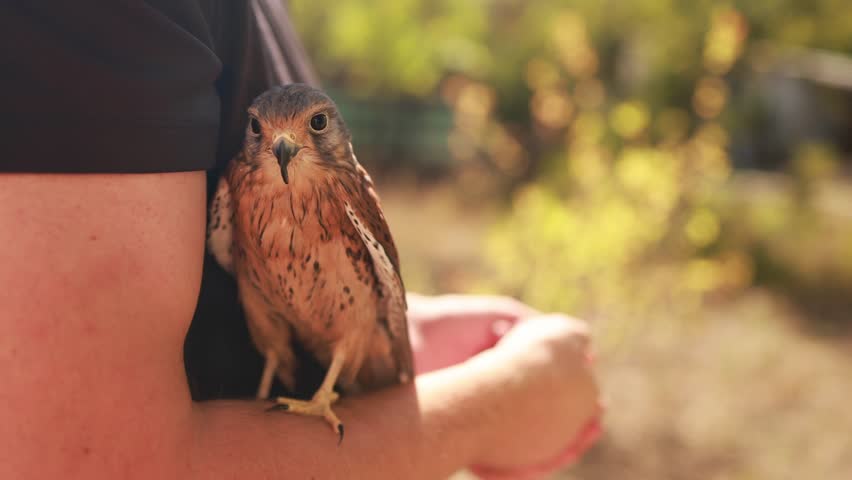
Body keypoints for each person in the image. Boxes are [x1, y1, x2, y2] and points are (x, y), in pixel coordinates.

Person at [0, 1, 602, 478]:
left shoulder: (341, 185)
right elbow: (96, 465)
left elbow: (274, 292)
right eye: (264, 132)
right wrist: (492, 410)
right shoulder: (75, 15)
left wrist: (407, 330)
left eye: (314, 126)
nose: (284, 145)